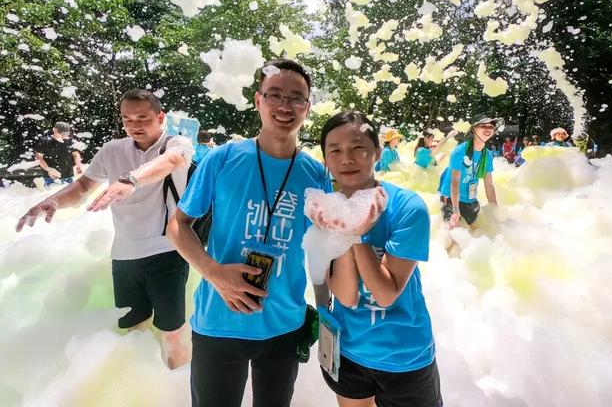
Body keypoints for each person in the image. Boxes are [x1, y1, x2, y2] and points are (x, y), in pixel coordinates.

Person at [167, 59, 332, 407]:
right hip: (218, 321)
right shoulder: (223, 158)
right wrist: (214, 273)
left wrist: (329, 318)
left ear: (308, 107)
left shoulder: (316, 175)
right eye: (275, 95)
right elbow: (177, 226)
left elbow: (321, 254)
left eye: (296, 98)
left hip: (284, 326)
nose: (285, 106)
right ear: (258, 100)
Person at [16, 89, 194, 369]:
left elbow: (171, 163)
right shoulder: (112, 150)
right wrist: (52, 201)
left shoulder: (176, 143)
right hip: (124, 256)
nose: (135, 125)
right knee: (134, 331)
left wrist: (131, 180)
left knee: (171, 332)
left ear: (161, 117)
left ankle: (178, 382)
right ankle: (143, 388)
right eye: (127, 119)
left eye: (143, 118)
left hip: (167, 252)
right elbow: (83, 187)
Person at [309, 111, 442, 407]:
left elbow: (385, 294)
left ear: (377, 153)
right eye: (335, 151)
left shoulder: (408, 207)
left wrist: (357, 236)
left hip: (404, 356)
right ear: (326, 160)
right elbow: (345, 296)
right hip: (349, 352)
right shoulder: (326, 211)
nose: (347, 159)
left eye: (358, 147)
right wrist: (344, 229)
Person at [438, 114, 499, 248]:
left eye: (491, 126)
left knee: (478, 231)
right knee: (453, 237)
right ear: (473, 129)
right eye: (483, 126)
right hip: (450, 197)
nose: (488, 128)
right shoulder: (460, 151)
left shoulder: (487, 155)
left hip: (470, 198)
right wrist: (455, 211)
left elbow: (489, 185)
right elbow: (454, 184)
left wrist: (495, 210)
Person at [34, 121, 83, 186]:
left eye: (65, 133)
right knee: (53, 194)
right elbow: (38, 158)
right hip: (50, 177)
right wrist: (48, 169)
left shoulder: (69, 141)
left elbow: (76, 154)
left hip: (68, 176)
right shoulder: (45, 141)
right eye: (61, 133)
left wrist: (78, 165)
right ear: (54, 130)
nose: (63, 135)